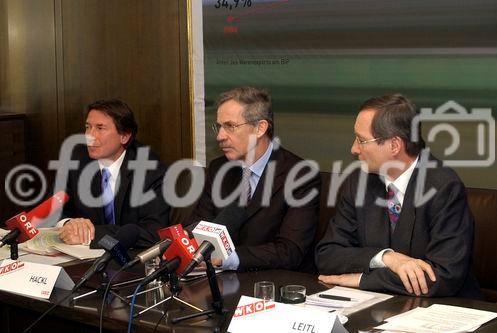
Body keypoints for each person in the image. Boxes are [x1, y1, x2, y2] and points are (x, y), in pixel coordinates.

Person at [315, 94, 481, 298]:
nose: (354, 149)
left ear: (394, 145)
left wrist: (362, 280)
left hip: (444, 311)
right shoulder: (358, 182)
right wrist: (386, 258)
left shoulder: (444, 187)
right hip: (379, 308)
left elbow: (444, 276)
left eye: (362, 140)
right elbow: (327, 255)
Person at [185, 86, 320, 272]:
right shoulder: (219, 168)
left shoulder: (300, 175)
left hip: (274, 284)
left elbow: (290, 251)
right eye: (219, 126)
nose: (220, 136)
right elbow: (200, 225)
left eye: (230, 126)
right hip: (221, 282)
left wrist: (225, 259)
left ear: (260, 128)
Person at [57, 99, 170, 247]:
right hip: (83, 258)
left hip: (131, 260)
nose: (89, 136)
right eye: (87, 127)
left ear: (124, 136)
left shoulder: (150, 169)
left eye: (100, 128)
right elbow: (53, 209)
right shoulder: (76, 160)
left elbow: (153, 232)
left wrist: (92, 234)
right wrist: (70, 224)